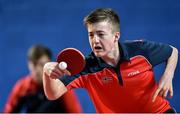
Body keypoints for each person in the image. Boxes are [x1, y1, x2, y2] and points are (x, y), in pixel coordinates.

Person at [43, 8, 178, 113]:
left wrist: (168, 75)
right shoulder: (85, 67)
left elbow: (173, 51)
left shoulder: (140, 51)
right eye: (91, 35)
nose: (95, 40)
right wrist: (46, 71)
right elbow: (53, 94)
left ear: (116, 36)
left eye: (100, 34)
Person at [4, 44, 82, 113]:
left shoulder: (61, 86)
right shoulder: (22, 87)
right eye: (34, 65)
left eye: (42, 64)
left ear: (49, 64)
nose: (38, 70)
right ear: (29, 65)